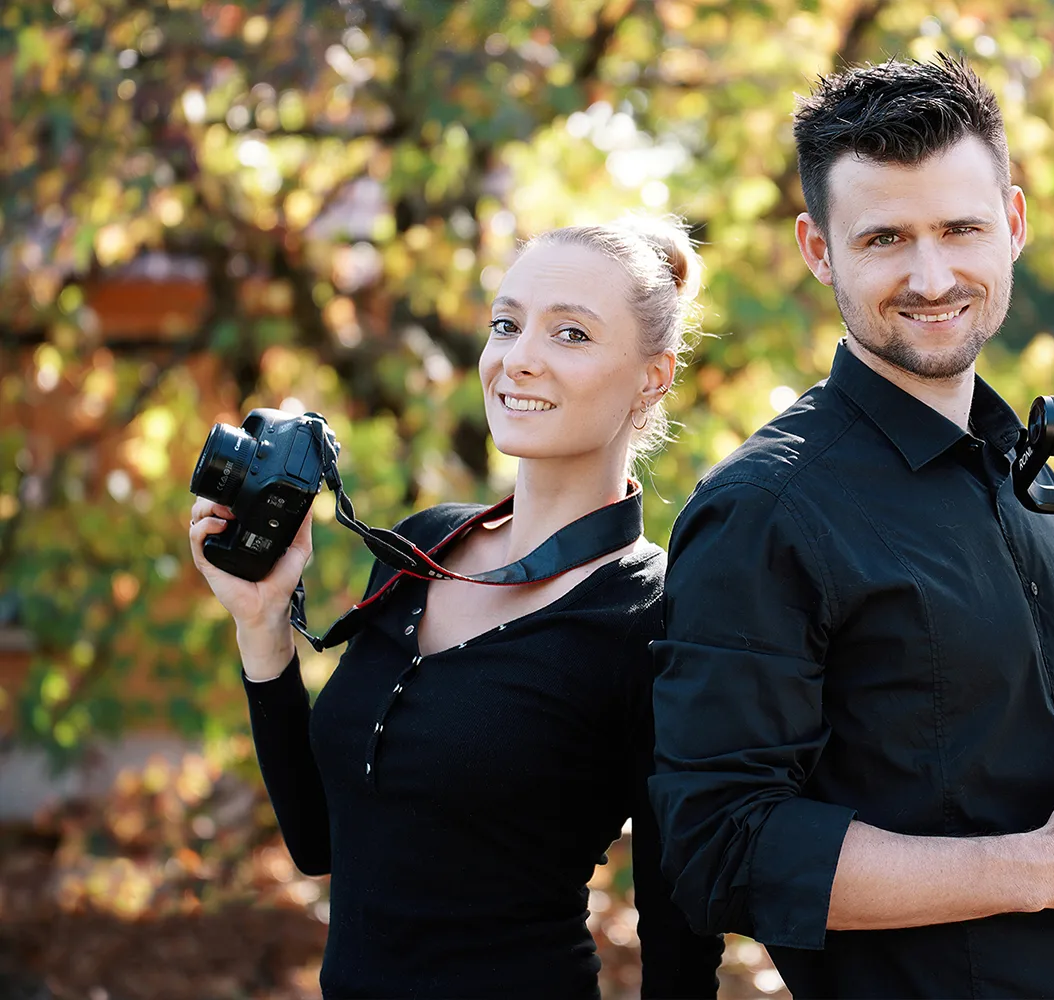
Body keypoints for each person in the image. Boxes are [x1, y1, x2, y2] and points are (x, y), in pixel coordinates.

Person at [649, 55, 1054, 999]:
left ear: (1016, 225)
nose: (931, 274)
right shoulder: (765, 509)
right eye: (884, 238)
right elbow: (723, 847)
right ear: (819, 249)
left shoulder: (1026, 478)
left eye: (961, 228)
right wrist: (1049, 866)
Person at [189, 218, 723, 999]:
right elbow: (318, 840)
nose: (518, 359)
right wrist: (261, 622)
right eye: (506, 324)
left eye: (570, 333)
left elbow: (679, 934)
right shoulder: (423, 543)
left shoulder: (653, 616)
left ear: (653, 377)